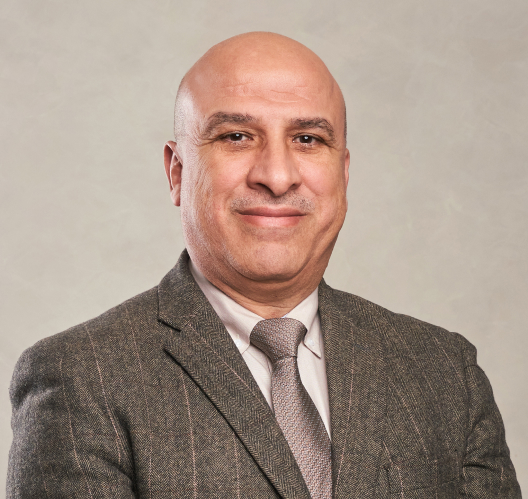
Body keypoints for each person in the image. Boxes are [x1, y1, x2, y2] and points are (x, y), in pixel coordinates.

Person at [7, 32, 521, 499]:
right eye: (236, 136)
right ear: (177, 172)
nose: (277, 176)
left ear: (343, 174)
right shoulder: (80, 379)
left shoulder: (445, 372)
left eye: (308, 139)